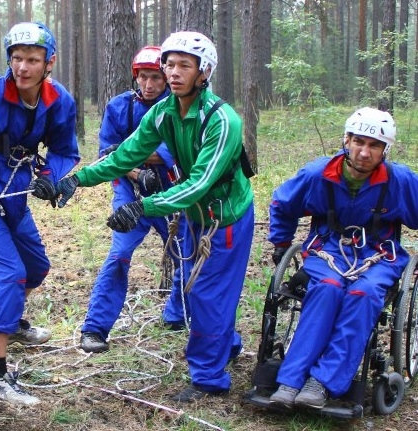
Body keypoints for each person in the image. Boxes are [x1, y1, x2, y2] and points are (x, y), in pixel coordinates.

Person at [55, 31, 254, 402]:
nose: (173, 72)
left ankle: (208, 380)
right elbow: (123, 156)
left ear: (204, 72)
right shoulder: (163, 113)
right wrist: (75, 180)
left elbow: (199, 183)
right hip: (194, 216)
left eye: (184, 65)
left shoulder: (222, 120)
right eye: (170, 64)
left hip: (224, 218)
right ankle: (226, 346)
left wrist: (143, 206)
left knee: (206, 294)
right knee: (197, 291)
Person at [0, 22, 80, 405]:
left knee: (36, 268)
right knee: (8, 275)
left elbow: (64, 149)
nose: (22, 67)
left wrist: (49, 177)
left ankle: (11, 322)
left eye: (33, 60)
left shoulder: (59, 101)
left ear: (49, 63)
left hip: (15, 196)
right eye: (17, 58)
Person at [268, 107, 418, 409]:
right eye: (359, 142)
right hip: (329, 249)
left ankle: (322, 381)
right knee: (326, 290)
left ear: (385, 149)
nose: (364, 152)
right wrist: (282, 244)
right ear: (346, 140)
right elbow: (283, 204)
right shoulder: (317, 174)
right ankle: (290, 380)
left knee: (363, 294)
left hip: (378, 254)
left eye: (374, 145)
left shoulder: (400, 181)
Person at [79, 45, 186, 353]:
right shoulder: (119, 107)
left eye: (155, 77)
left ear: (165, 78)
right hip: (129, 192)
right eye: (143, 77)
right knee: (120, 253)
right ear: (135, 77)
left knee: (185, 253)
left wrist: (133, 156)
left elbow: (173, 153)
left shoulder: (179, 107)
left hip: (172, 192)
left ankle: (178, 315)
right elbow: (108, 153)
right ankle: (95, 329)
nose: (149, 84)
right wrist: (137, 173)